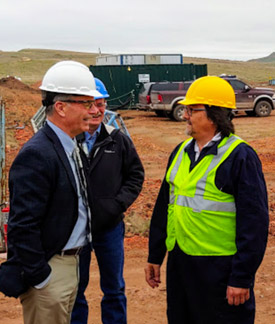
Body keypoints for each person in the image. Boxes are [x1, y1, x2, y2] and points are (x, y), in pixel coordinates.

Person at [145, 76, 269, 324]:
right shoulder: (180, 152)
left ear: (215, 114)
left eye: (193, 110)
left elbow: (254, 223)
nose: (185, 115)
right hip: (181, 263)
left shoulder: (240, 157)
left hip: (219, 268)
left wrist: (241, 278)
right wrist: (155, 255)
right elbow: (164, 207)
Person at [0, 60, 102, 324]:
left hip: (70, 266)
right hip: (50, 270)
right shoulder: (37, 154)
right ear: (61, 107)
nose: (93, 110)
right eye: (86, 103)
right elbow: (23, 225)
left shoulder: (70, 145)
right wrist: (41, 277)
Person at [71, 78, 144, 324]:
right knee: (75, 290)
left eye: (101, 104)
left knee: (114, 289)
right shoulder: (67, 140)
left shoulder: (118, 140)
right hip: (74, 230)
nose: (97, 110)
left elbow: (135, 176)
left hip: (109, 228)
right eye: (91, 104)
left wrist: (117, 205)